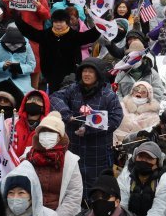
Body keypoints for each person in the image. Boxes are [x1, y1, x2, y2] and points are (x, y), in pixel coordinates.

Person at [50, 57, 123, 189]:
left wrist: (89, 128)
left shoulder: (108, 95)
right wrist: (67, 114)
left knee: (95, 187)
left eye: (91, 71)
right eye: (84, 71)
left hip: (97, 152)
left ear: (98, 74)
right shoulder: (73, 89)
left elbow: (116, 118)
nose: (86, 74)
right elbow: (54, 98)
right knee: (73, 185)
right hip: (74, 148)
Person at [9, 111, 83, 216]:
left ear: (60, 136)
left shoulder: (70, 160)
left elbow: (74, 197)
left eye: (51, 132)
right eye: (44, 132)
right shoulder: (28, 156)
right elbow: (18, 188)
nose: (47, 135)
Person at [14, 8, 101, 92]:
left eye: (61, 22)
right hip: (50, 75)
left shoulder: (74, 36)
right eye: (56, 22)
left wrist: (102, 24)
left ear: (67, 22)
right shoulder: (45, 35)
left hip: (70, 75)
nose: (58, 24)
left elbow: (90, 36)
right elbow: (28, 31)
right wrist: (17, 17)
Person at [115, 142, 166, 216]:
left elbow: (161, 209)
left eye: (149, 158)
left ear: (158, 162)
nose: (144, 160)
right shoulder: (126, 175)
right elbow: (121, 204)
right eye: (141, 156)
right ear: (135, 157)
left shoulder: (165, 179)